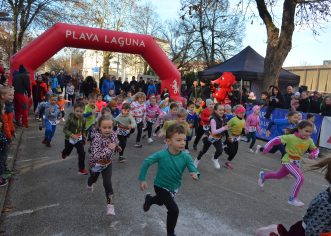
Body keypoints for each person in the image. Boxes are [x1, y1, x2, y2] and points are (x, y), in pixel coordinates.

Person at [138, 124, 199, 236]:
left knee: (161, 202)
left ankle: (150, 200)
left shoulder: (186, 157)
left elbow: (193, 168)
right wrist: (142, 179)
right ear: (168, 141)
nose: (182, 143)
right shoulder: (162, 155)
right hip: (160, 186)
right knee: (173, 210)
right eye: (178, 140)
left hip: (174, 187)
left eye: (184, 140)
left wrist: (195, 173)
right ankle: (170, 233)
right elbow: (146, 162)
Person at [257, 120, 319, 207]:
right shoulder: (291, 137)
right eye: (306, 131)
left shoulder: (309, 140)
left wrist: (313, 154)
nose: (308, 134)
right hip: (288, 161)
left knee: (278, 175)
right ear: (299, 129)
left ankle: (264, 176)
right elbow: (276, 139)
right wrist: (266, 148)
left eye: (310, 132)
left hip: (296, 162)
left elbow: (316, 149)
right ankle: (293, 199)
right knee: (300, 178)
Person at [87, 115, 121, 216]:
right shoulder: (96, 139)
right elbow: (96, 155)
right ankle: (89, 184)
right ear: (99, 127)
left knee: (107, 183)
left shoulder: (113, 134)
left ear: (113, 127)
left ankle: (110, 205)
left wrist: (117, 148)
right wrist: (110, 149)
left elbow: (115, 143)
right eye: (104, 127)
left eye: (110, 127)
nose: (107, 130)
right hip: (96, 164)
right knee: (93, 179)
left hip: (107, 163)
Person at [194, 103, 228, 169]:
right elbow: (214, 132)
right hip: (209, 137)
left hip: (217, 138)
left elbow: (225, 127)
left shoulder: (224, 118)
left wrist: (227, 135)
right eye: (220, 110)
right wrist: (224, 128)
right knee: (204, 151)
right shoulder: (213, 119)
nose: (222, 111)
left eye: (223, 110)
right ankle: (197, 160)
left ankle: (215, 158)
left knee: (220, 150)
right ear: (215, 111)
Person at [61, 102, 88, 175]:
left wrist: (84, 136)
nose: (79, 113)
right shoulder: (70, 119)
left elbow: (83, 129)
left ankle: (81, 169)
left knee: (82, 153)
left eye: (81, 111)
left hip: (78, 139)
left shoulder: (83, 119)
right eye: (77, 111)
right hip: (69, 138)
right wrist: (72, 135)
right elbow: (65, 129)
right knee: (68, 151)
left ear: (83, 111)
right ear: (74, 110)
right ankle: (64, 153)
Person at [223, 105, 246, 169]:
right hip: (231, 136)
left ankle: (227, 162)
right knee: (232, 151)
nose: (242, 114)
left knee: (235, 152)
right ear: (237, 113)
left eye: (244, 112)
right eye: (241, 112)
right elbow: (225, 126)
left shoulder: (243, 120)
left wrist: (244, 133)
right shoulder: (233, 119)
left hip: (236, 138)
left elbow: (242, 129)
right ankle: (224, 147)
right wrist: (228, 136)